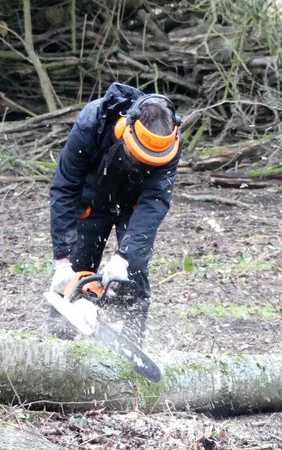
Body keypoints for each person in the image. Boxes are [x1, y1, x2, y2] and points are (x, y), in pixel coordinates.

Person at [47, 83, 183, 345]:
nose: (142, 162)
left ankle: (130, 342)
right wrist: (61, 260)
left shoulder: (171, 143)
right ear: (125, 128)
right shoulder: (93, 122)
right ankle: (58, 347)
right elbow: (65, 187)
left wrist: (124, 258)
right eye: (139, 154)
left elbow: (154, 202)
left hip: (132, 207)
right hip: (91, 200)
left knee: (133, 272)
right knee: (74, 273)